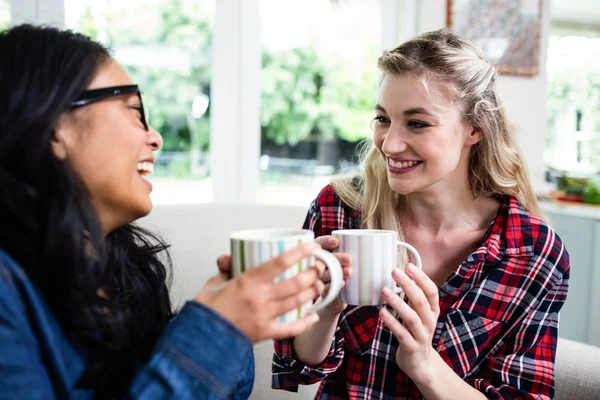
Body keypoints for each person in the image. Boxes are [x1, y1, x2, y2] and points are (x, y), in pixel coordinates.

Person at [0, 24, 348, 399]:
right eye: (134, 111)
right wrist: (216, 331)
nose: (155, 137)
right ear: (55, 126)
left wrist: (229, 317)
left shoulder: (116, 273)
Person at [272, 29, 570, 399]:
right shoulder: (340, 208)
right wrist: (328, 307)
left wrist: (424, 364)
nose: (390, 144)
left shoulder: (532, 251)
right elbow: (298, 366)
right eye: (383, 119)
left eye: (417, 123)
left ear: (474, 128)